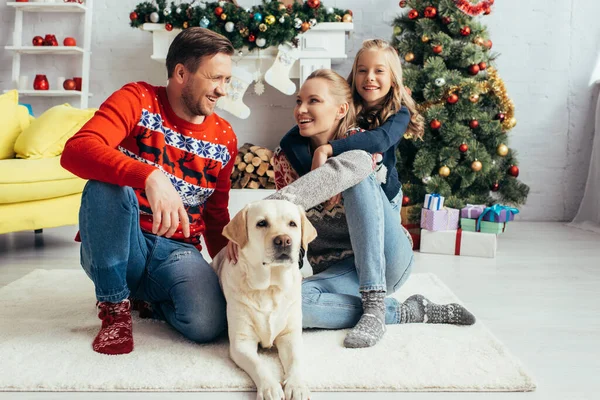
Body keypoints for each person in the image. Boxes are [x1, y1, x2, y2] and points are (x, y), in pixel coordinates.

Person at [269, 42, 475, 349]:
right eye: (299, 101)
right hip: (339, 270)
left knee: (356, 165)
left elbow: (374, 144)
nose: (301, 109)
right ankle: (404, 311)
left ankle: (375, 301)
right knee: (285, 306)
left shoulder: (364, 143)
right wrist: (288, 273)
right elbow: (290, 229)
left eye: (314, 100)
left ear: (340, 109)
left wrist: (268, 206)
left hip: (387, 257)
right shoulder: (286, 158)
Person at [61, 28, 237, 355]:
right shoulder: (138, 99)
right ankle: (115, 308)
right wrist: (150, 176)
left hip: (178, 251)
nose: (222, 91)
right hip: (122, 241)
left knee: (207, 324)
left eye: (227, 80)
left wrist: (232, 266)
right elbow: (77, 150)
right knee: (105, 186)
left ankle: (151, 300)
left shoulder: (225, 139)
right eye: (216, 78)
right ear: (181, 73)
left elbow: (216, 215)